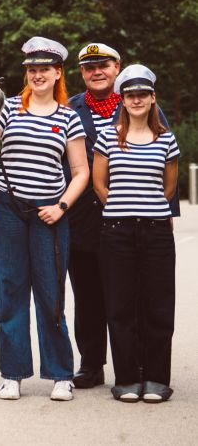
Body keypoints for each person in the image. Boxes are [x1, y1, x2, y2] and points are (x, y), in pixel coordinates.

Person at [0, 37, 89, 401]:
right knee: (10, 290)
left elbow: (81, 172)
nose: (37, 75)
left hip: (49, 213)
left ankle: (60, 374)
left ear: (58, 73)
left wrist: (62, 207)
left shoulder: (68, 118)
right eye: (32, 70)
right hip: (7, 209)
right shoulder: (8, 109)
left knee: (51, 294)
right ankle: (12, 374)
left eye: (44, 70)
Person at [66, 44, 177, 389]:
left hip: (137, 218)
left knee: (137, 294)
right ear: (82, 73)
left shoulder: (138, 101)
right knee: (88, 296)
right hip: (83, 219)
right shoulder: (69, 108)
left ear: (117, 68)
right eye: (89, 67)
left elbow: (165, 165)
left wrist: (166, 215)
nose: (97, 72)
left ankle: (139, 366)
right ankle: (92, 363)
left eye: (104, 65)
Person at [92, 64, 179, 403]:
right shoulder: (108, 137)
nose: (137, 100)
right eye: (130, 95)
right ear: (123, 100)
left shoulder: (166, 139)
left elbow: (168, 189)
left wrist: (147, 208)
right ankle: (127, 379)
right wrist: (122, 208)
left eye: (143, 94)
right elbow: (100, 184)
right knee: (120, 306)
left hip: (156, 232)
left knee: (159, 306)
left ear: (153, 98)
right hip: (117, 232)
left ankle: (156, 379)